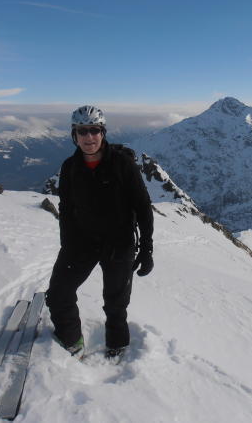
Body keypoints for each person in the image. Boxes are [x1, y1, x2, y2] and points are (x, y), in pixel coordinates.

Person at [46, 105, 154, 359]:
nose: (89, 136)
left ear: (103, 133)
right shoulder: (70, 167)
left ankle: (117, 347)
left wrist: (146, 248)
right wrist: (66, 244)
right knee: (58, 294)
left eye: (94, 130)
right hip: (82, 242)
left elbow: (142, 206)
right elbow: (66, 208)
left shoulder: (122, 164)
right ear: (74, 134)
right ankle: (71, 341)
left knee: (116, 304)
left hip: (119, 243)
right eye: (82, 131)